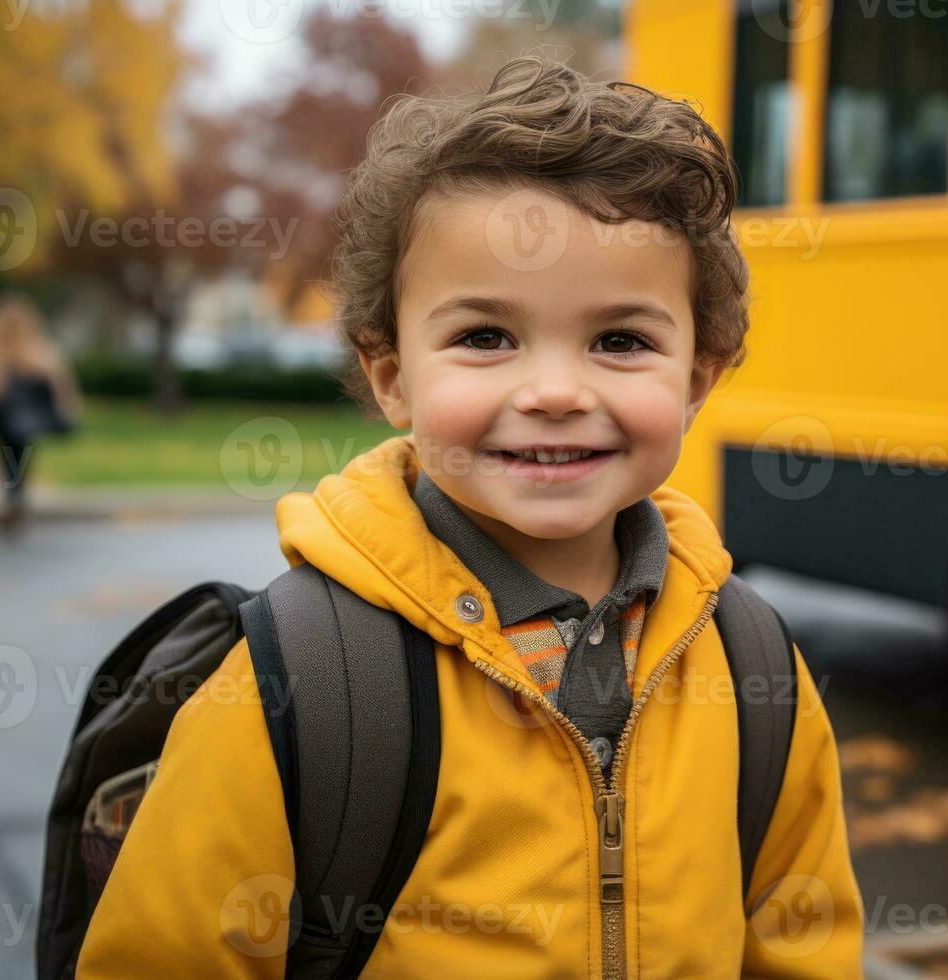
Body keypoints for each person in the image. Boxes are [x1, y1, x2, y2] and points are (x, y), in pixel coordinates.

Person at [77, 54, 864, 977]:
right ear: (392, 375)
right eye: (486, 337)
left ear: (697, 378)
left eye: (620, 340)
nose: (557, 391)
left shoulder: (753, 664)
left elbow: (801, 944)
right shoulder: (304, 681)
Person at [0, 293, 82, 535]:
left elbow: (60, 385)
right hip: (2, 415)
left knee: (14, 452)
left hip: (28, 417)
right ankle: (15, 499)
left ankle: (14, 499)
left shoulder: (39, 349)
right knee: (13, 452)